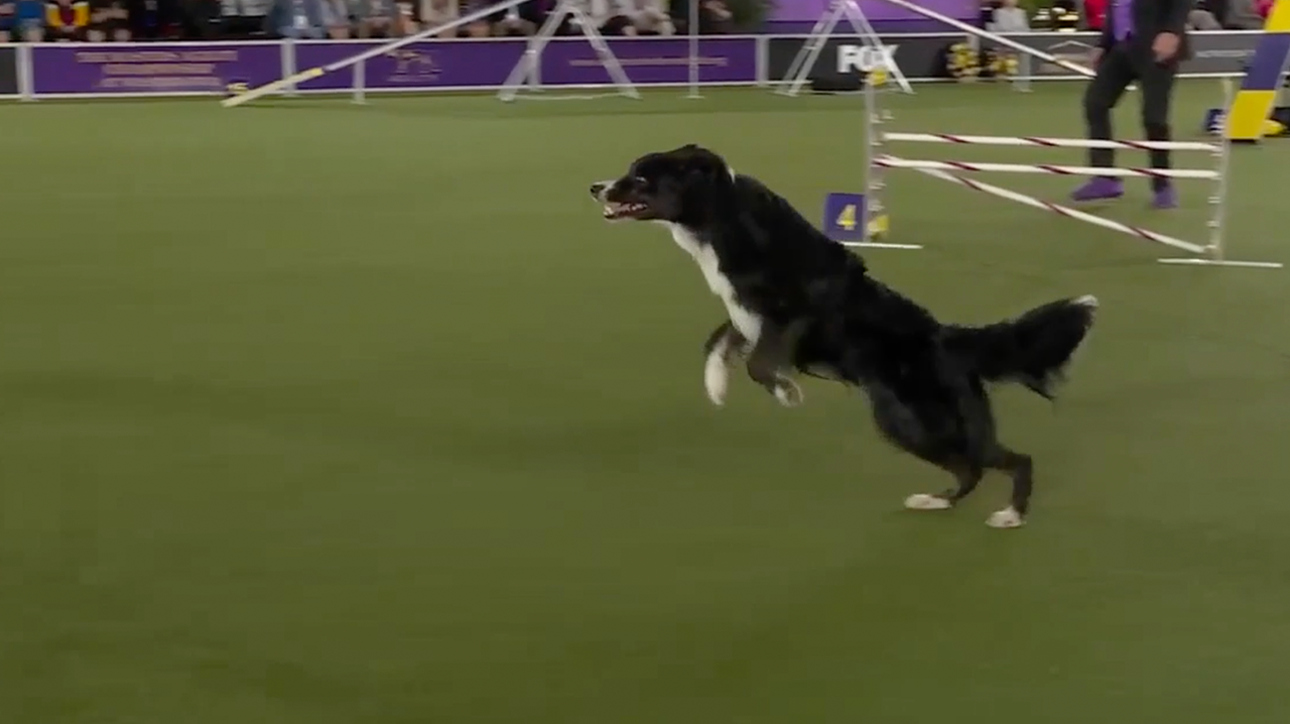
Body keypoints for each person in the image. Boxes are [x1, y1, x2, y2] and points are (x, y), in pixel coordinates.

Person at [1071, 0, 1191, 209]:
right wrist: (1102, 44)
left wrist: (1171, 31)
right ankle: (1105, 178)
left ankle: (1162, 185)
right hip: (1120, 49)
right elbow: (1117, 8)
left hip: (1156, 47)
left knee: (1155, 118)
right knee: (1095, 103)